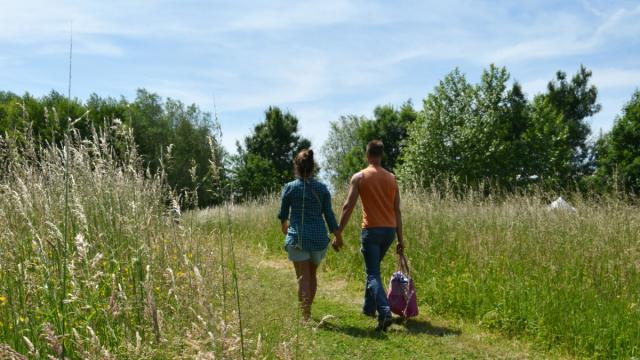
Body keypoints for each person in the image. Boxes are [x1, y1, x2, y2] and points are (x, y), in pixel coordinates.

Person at [333, 140, 404, 331]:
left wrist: (338, 232)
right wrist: (400, 239)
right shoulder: (392, 178)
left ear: (367, 155)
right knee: (373, 269)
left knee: (372, 273)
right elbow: (397, 210)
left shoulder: (360, 177)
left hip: (371, 231)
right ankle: (368, 308)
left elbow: (348, 206)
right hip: (389, 231)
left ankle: (384, 311)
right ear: (381, 155)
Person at [278, 149, 342, 323]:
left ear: (296, 167)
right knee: (312, 275)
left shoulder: (290, 188)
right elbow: (329, 215)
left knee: (303, 277)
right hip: (318, 238)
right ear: (313, 167)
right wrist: (338, 235)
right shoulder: (322, 189)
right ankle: (308, 312)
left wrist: (284, 226)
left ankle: (305, 316)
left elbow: (283, 215)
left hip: (298, 237)